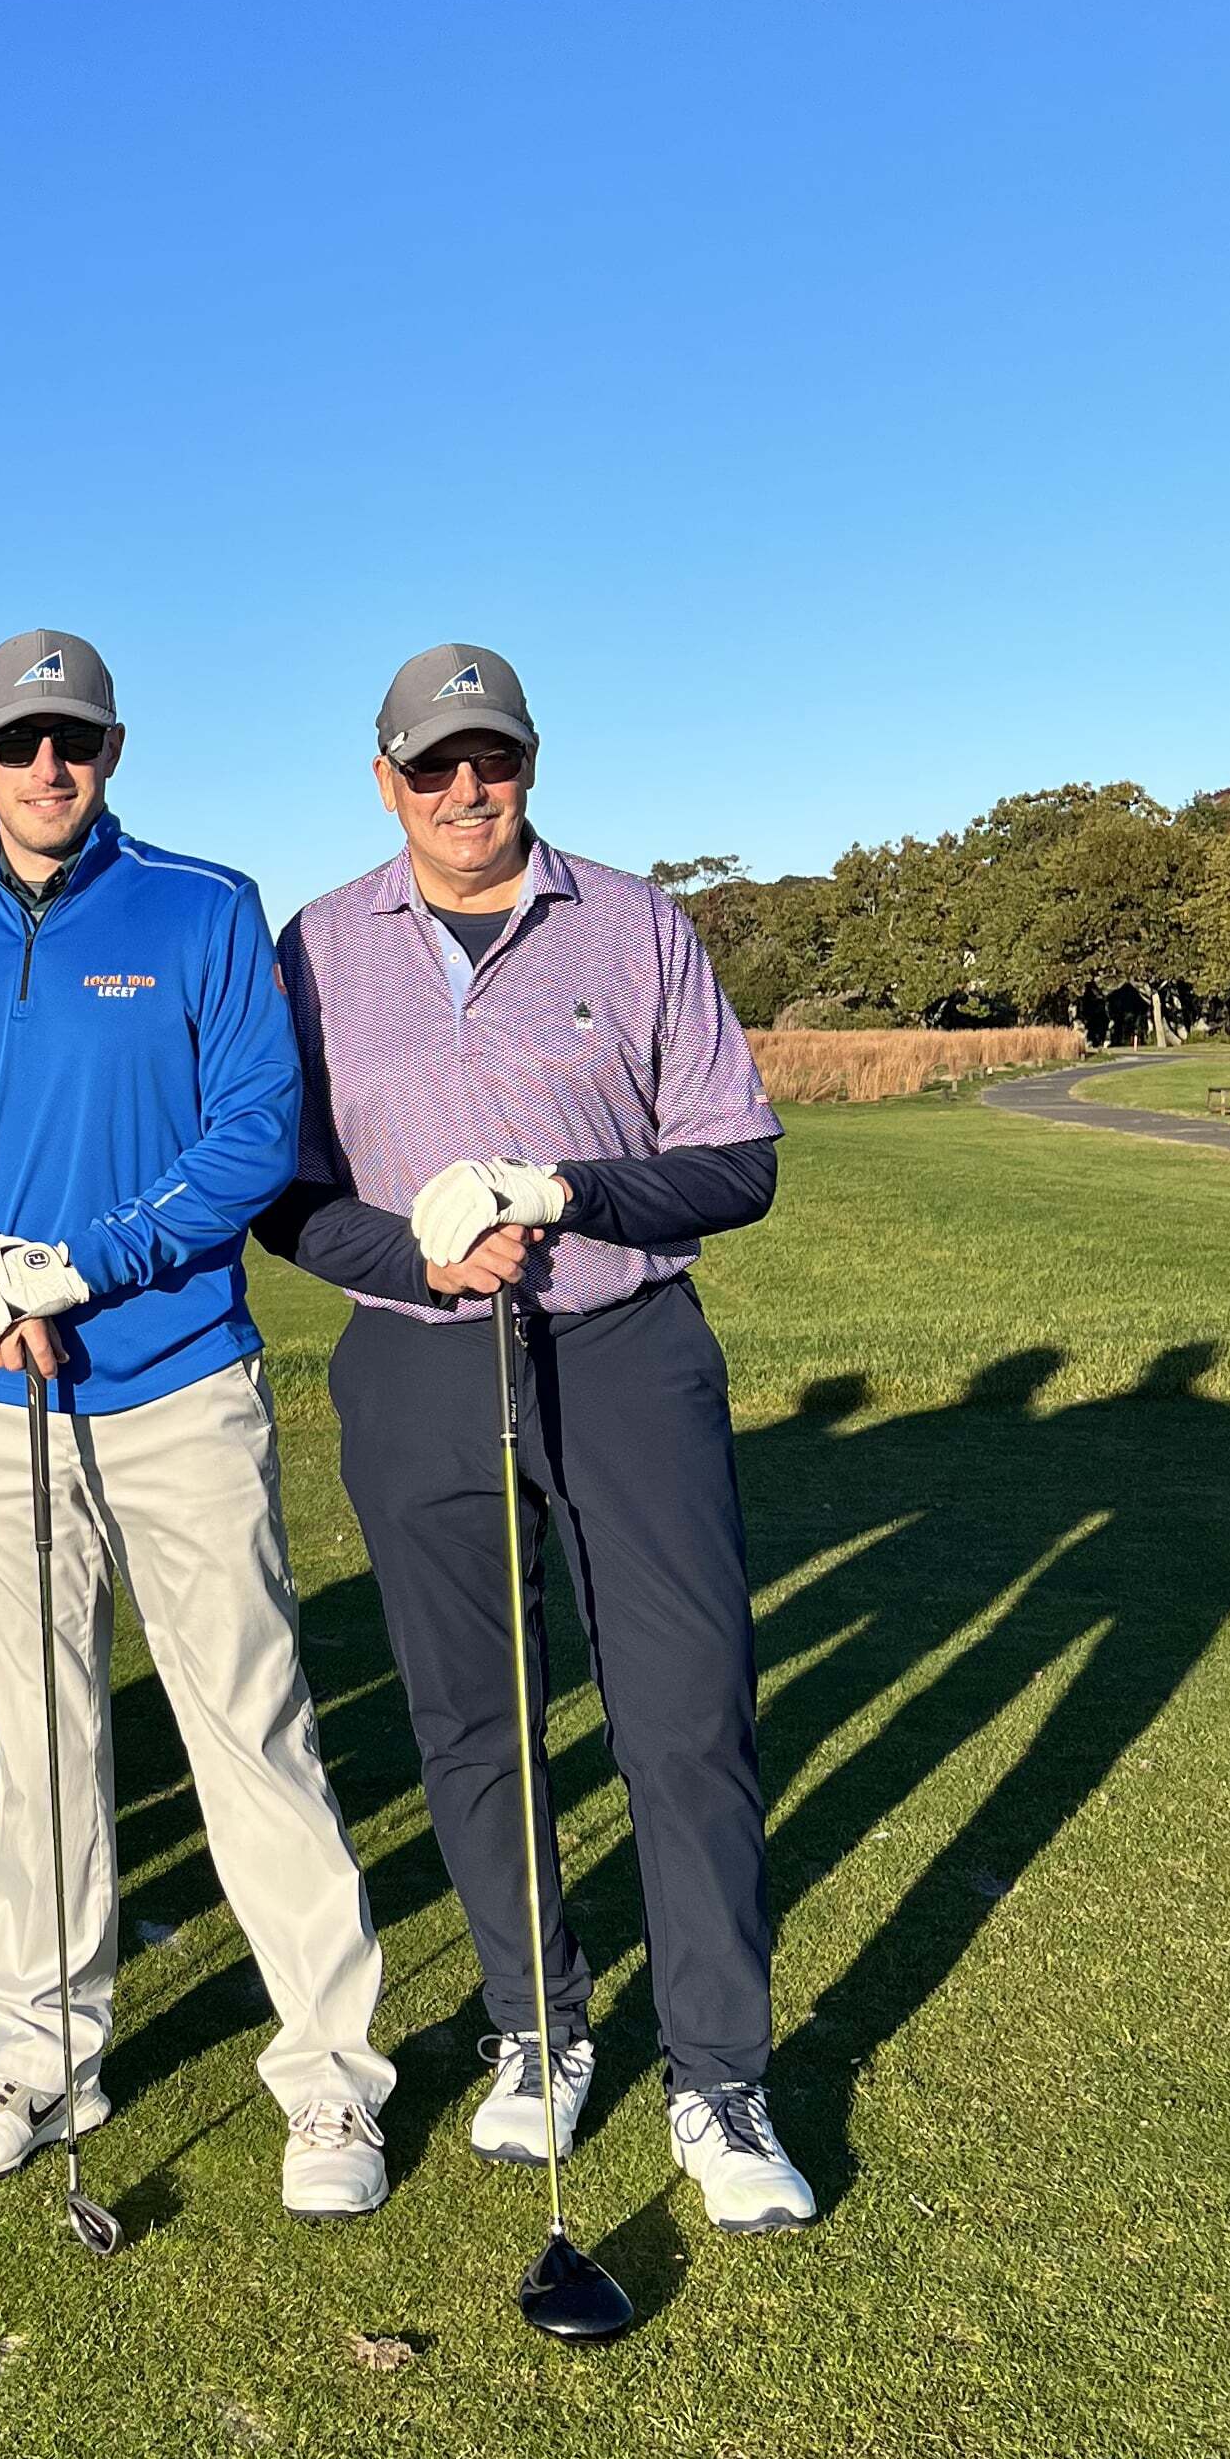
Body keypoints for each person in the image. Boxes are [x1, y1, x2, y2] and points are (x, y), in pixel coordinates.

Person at [0, 630, 396, 2219]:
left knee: (251, 1727)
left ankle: (331, 2076)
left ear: (113, 749)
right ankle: (38, 2056)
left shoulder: (202, 907)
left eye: (74, 738)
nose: (49, 765)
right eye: (21, 741)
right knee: (42, 1740)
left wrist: (83, 1264)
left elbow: (254, 1133)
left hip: (178, 1383)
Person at [265, 641, 815, 2231]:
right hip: (417, 1360)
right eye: (432, 765)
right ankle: (539, 2023)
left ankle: (720, 2075)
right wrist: (417, 1256)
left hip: (626, 1349)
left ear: (528, 764)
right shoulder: (317, 946)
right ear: (385, 780)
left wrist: (566, 1193)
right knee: (470, 1717)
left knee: (686, 1713)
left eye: (490, 758)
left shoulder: (635, 923)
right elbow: (286, 1197)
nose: (465, 789)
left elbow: (739, 1161)